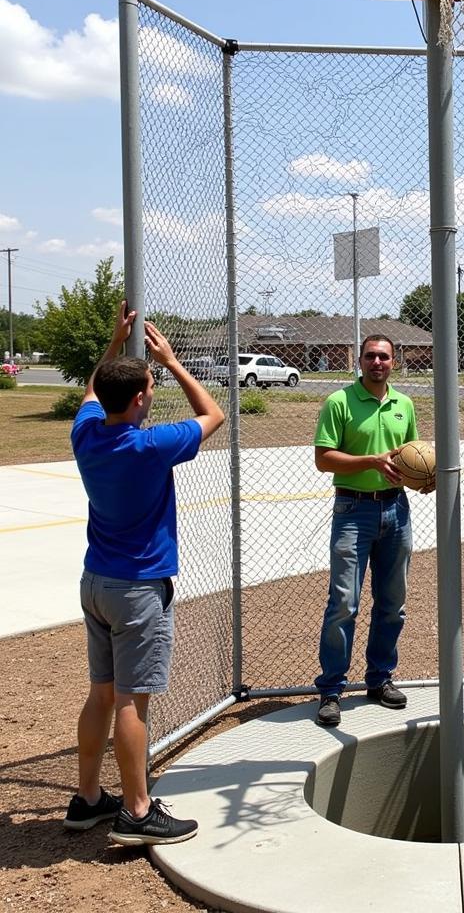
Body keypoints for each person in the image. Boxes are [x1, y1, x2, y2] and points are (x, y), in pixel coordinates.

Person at [66, 302, 224, 845]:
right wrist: (175, 363)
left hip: (96, 584)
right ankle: (137, 809)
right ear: (139, 399)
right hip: (137, 589)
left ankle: (87, 799)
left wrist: (115, 343)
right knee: (133, 700)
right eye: (150, 387)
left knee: (101, 694)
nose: (153, 391)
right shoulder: (149, 445)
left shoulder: (87, 436)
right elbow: (213, 415)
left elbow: (92, 391)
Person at [312, 335, 431, 725]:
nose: (377, 362)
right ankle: (331, 690)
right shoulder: (339, 402)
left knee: (393, 603)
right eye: (370, 356)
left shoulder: (404, 404)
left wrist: (422, 477)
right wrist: (371, 461)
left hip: (396, 510)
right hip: (352, 509)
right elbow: (323, 460)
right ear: (359, 361)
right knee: (344, 602)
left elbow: (411, 455)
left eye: (384, 356)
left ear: (393, 362)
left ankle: (379, 679)